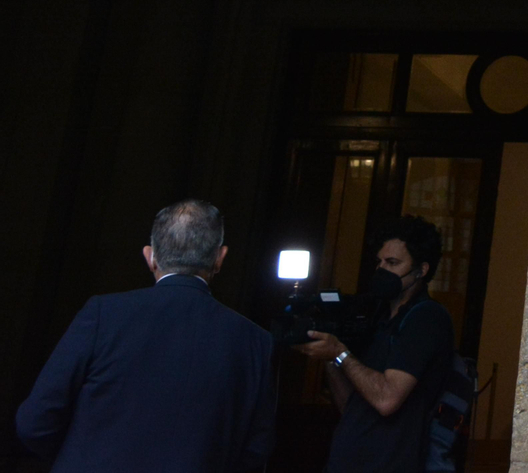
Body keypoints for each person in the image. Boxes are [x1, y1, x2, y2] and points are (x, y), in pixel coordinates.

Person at [14, 199, 275, 473]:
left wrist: (80, 459)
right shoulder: (255, 342)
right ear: (220, 258)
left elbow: (35, 422)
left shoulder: (103, 314)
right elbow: (256, 451)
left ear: (150, 256)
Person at [295, 216, 455, 473]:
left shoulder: (426, 318)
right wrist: (331, 357)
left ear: (422, 270)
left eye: (392, 263)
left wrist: (340, 352)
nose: (382, 270)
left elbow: (386, 399)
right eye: (379, 262)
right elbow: (352, 405)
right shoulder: (378, 318)